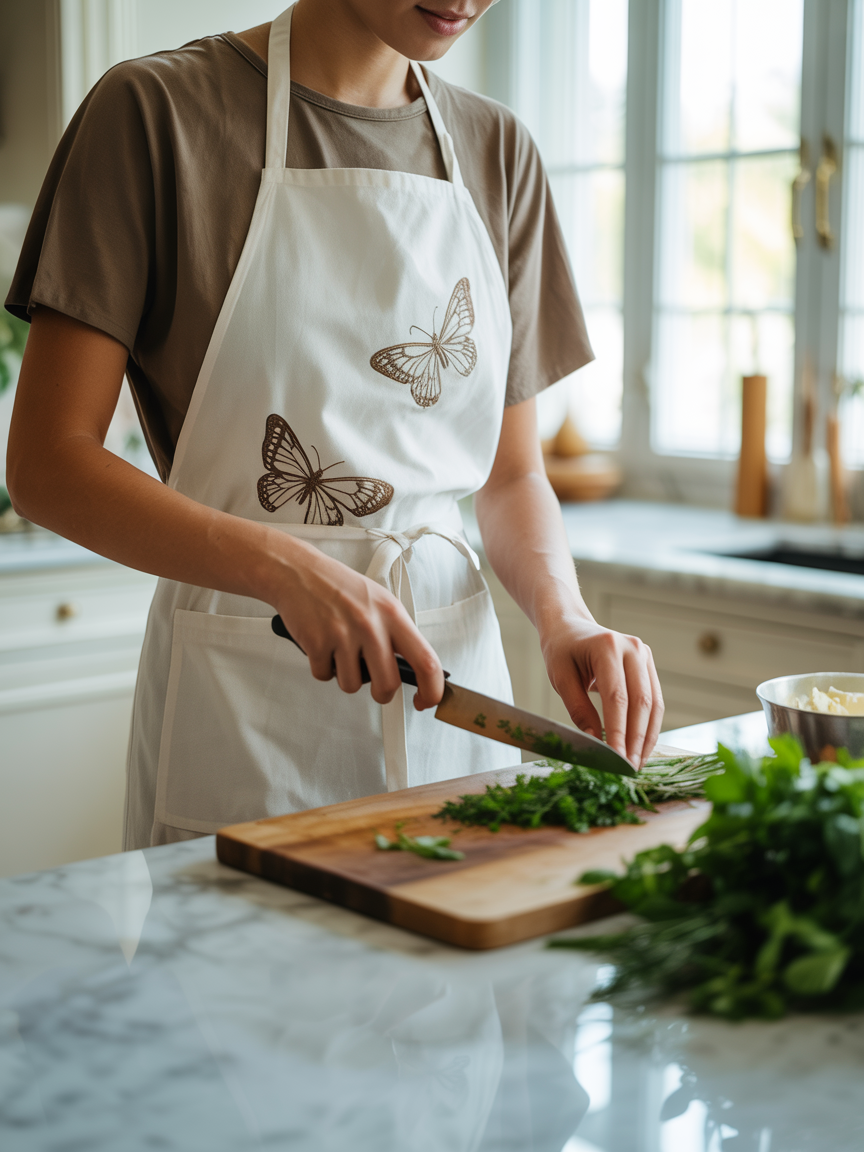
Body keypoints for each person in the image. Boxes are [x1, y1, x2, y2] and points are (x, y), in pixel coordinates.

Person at [5, 0, 663, 849]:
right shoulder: (154, 115)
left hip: (453, 707)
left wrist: (564, 614)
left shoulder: (499, 154)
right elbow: (47, 464)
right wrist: (281, 564)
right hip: (243, 715)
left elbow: (509, 477)